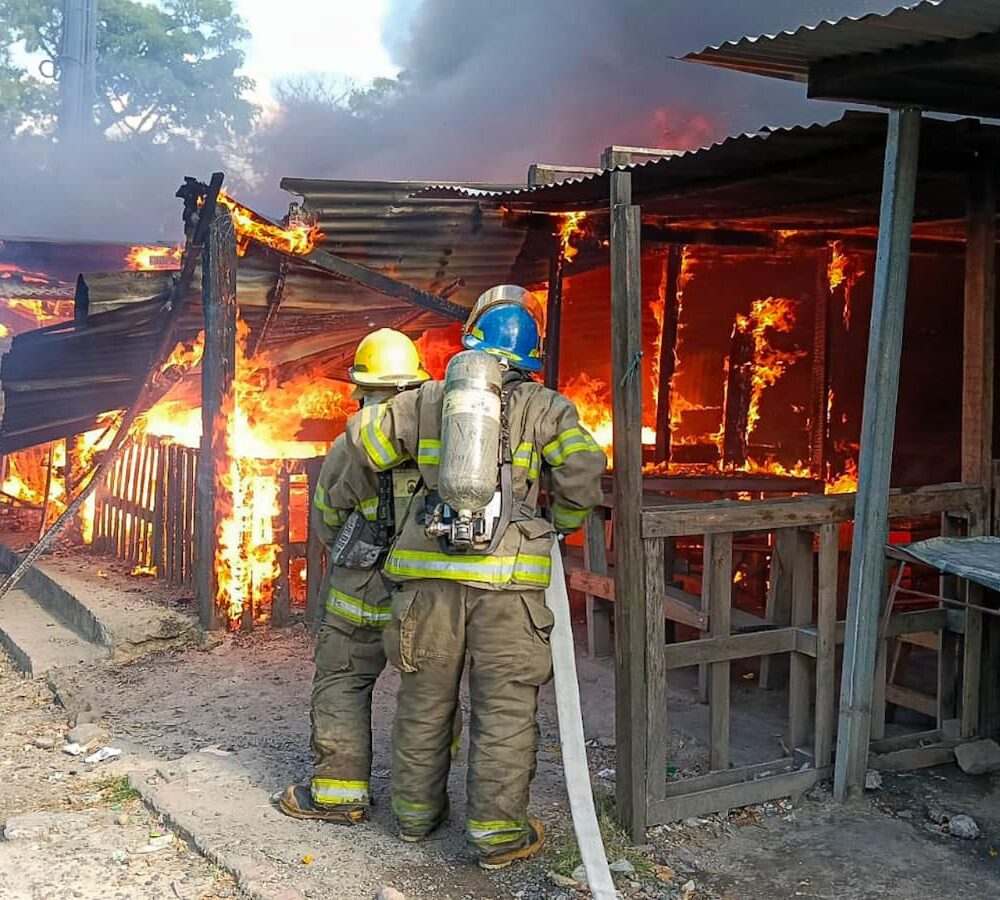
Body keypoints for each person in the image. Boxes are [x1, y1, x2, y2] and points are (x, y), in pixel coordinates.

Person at [343, 285, 606, 868]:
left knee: (423, 701)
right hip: (509, 589)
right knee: (505, 710)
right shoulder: (549, 408)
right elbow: (585, 471)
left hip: (426, 586)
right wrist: (554, 524)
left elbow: (369, 446)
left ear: (473, 341)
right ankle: (496, 836)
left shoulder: (430, 398)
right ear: (532, 355)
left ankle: (414, 818)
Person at [279, 328, 434, 824]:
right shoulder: (443, 439)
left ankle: (339, 797)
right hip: (428, 593)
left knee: (344, 683)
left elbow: (325, 517)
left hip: (362, 591)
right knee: (427, 696)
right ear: (414, 387)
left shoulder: (350, 446)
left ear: (362, 388)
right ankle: (423, 807)